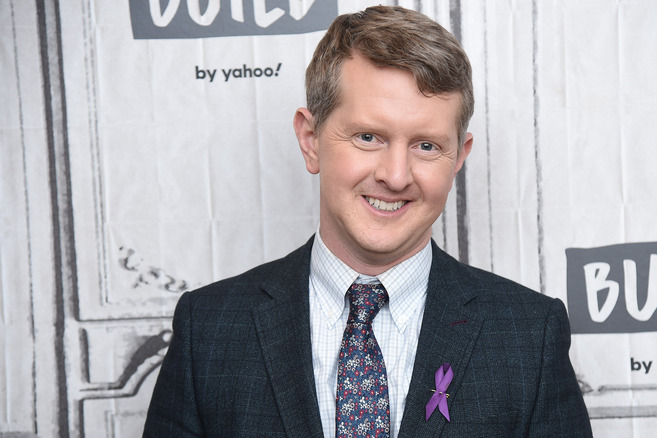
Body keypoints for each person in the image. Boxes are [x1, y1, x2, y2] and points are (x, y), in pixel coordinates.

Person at [143, 5, 592, 437]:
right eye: (368, 137)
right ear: (310, 139)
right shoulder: (208, 330)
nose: (395, 176)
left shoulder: (530, 336)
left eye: (427, 146)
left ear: (459, 156)